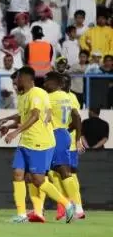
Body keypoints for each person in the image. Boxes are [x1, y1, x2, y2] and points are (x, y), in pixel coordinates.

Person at [0, 66, 76, 223]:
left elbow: (34, 116)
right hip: (26, 141)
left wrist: (15, 132)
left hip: (40, 142)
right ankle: (21, 215)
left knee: (38, 180)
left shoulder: (37, 93)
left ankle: (67, 204)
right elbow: (23, 117)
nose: (15, 82)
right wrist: (8, 124)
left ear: (25, 79)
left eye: (17, 79)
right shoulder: (23, 96)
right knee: (18, 174)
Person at [39, 72, 84, 223]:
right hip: (63, 133)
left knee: (62, 171)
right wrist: (76, 137)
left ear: (54, 82)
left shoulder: (49, 98)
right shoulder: (67, 97)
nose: (44, 84)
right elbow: (76, 117)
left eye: (46, 81)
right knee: (50, 172)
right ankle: (63, 205)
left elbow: (40, 117)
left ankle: (73, 206)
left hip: (55, 135)